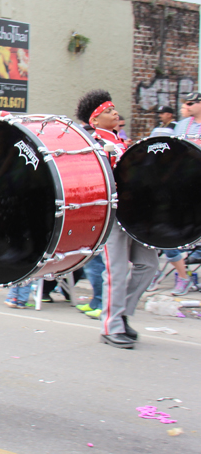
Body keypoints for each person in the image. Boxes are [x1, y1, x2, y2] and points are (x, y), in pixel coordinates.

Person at [76, 90, 158, 349]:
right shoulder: (93, 145)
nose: (115, 113)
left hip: (135, 215)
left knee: (149, 265)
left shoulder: (123, 142)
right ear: (95, 121)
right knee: (117, 272)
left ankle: (121, 313)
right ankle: (111, 327)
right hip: (114, 214)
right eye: (108, 111)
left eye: (114, 109)